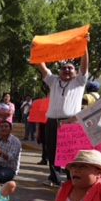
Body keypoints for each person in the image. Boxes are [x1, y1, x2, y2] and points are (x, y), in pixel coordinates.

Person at [34, 34, 90, 187]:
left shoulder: (79, 82)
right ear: (59, 71)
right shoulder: (53, 81)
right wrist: (36, 52)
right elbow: (42, 67)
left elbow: (84, 65)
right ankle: (54, 178)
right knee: (51, 150)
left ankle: (71, 180)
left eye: (70, 68)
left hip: (70, 123)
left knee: (70, 153)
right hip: (52, 122)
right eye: (64, 68)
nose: (66, 70)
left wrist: (84, 45)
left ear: (75, 71)